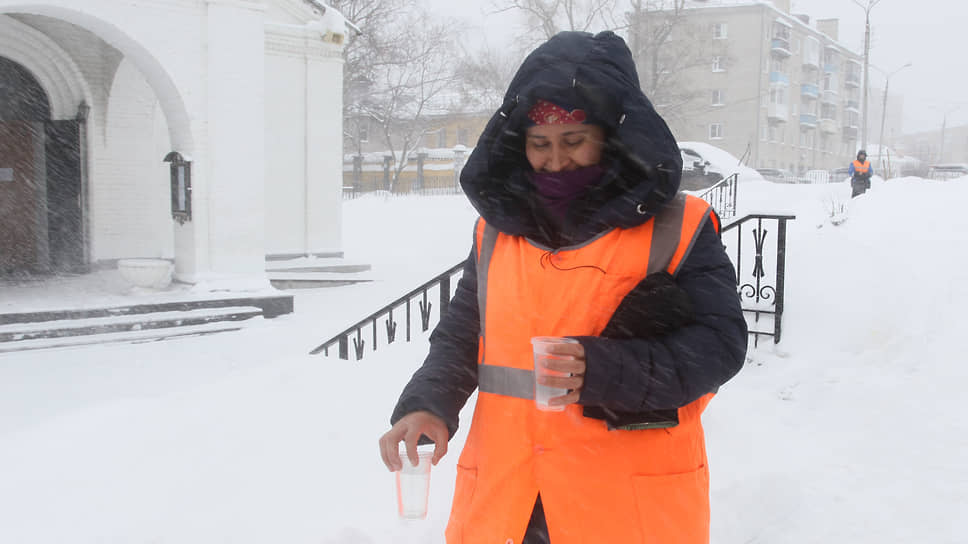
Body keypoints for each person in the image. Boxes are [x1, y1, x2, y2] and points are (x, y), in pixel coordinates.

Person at [378, 30, 748, 544]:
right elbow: (462, 338)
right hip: (510, 501)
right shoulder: (495, 234)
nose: (555, 161)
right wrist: (428, 405)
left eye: (573, 142)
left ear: (610, 137)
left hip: (624, 506)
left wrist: (607, 371)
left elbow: (719, 345)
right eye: (539, 144)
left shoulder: (678, 227)